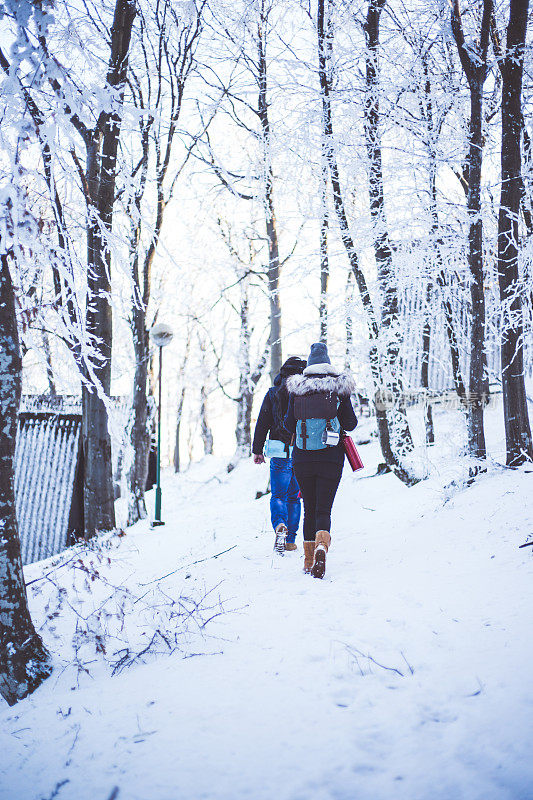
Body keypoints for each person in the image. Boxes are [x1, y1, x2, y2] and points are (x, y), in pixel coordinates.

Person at [284, 343, 357, 579]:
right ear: (328, 362)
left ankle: (307, 561)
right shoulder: (338, 388)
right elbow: (350, 424)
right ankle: (322, 547)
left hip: (303, 458)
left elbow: (287, 425)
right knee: (324, 509)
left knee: (309, 510)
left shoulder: (297, 388)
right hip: (331, 456)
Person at [252, 357, 307, 554]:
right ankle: (291, 540)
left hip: (279, 451)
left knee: (278, 495)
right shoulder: (306, 393)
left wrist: (257, 449)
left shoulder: (273, 393)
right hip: (302, 451)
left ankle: (279, 526)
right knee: (295, 497)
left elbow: (262, 422)